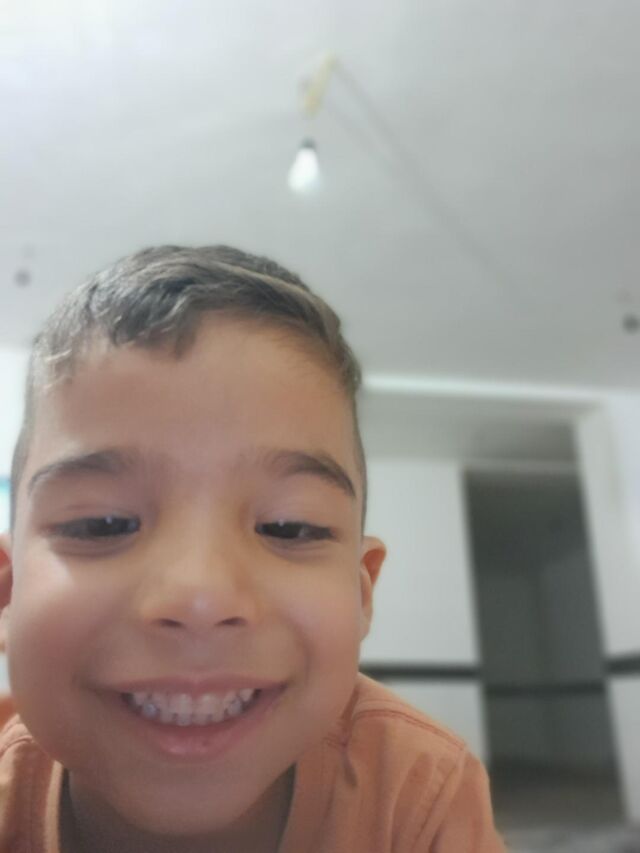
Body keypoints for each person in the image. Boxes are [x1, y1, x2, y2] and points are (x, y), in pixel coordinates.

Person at [0, 246, 506, 852]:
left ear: (362, 592)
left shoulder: (418, 796)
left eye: (289, 528)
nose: (201, 597)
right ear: (7, 591)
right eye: (103, 523)